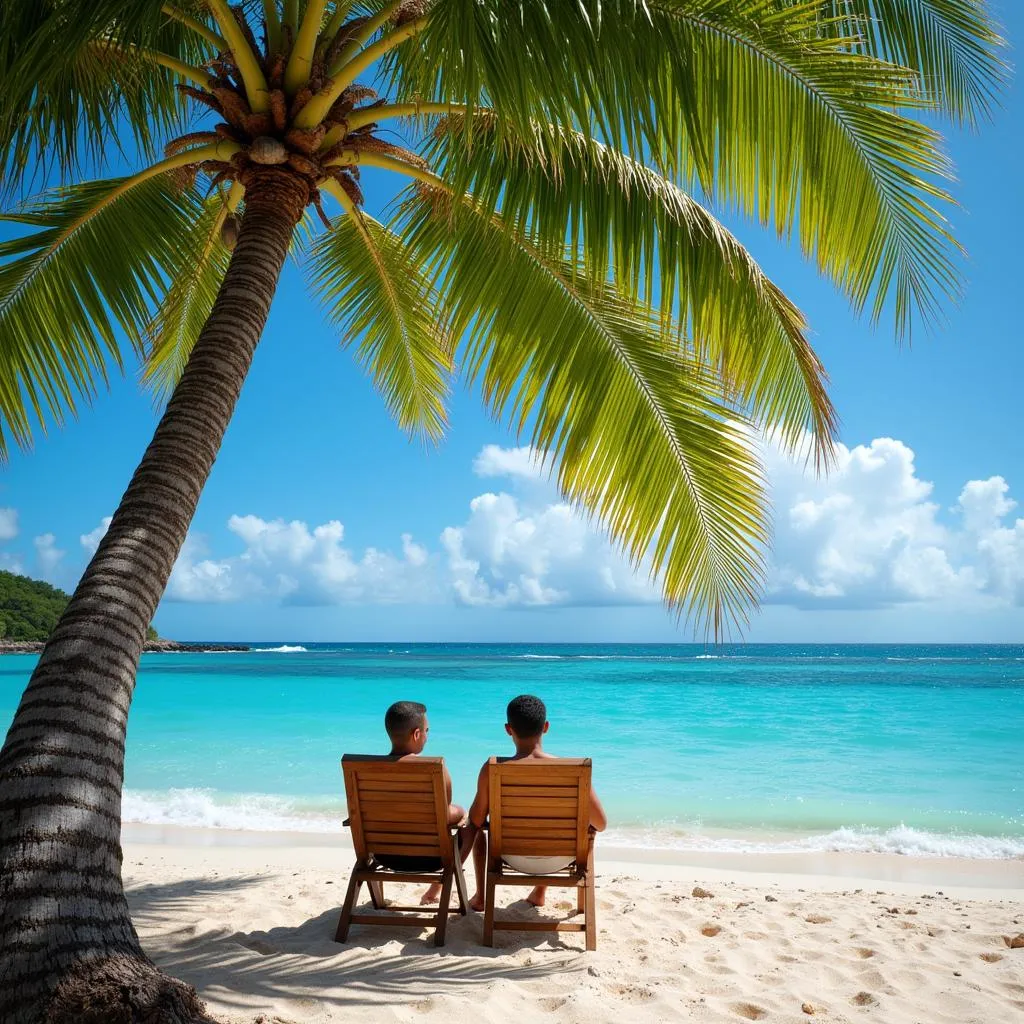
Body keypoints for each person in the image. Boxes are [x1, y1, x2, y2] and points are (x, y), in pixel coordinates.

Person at [466, 694, 607, 910]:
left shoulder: (491, 769)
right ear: (546, 727)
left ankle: (481, 897)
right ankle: (540, 891)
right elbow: (601, 824)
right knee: (577, 827)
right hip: (561, 858)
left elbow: (476, 820)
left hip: (511, 856)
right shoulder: (572, 771)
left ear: (508, 729)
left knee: (477, 829)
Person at [381, 700, 467, 904]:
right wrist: (462, 812)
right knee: (469, 823)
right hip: (430, 858)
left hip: (384, 855)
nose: (427, 736)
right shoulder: (435, 769)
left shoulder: (365, 771)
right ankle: (435, 889)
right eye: (427, 730)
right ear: (417, 734)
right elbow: (446, 813)